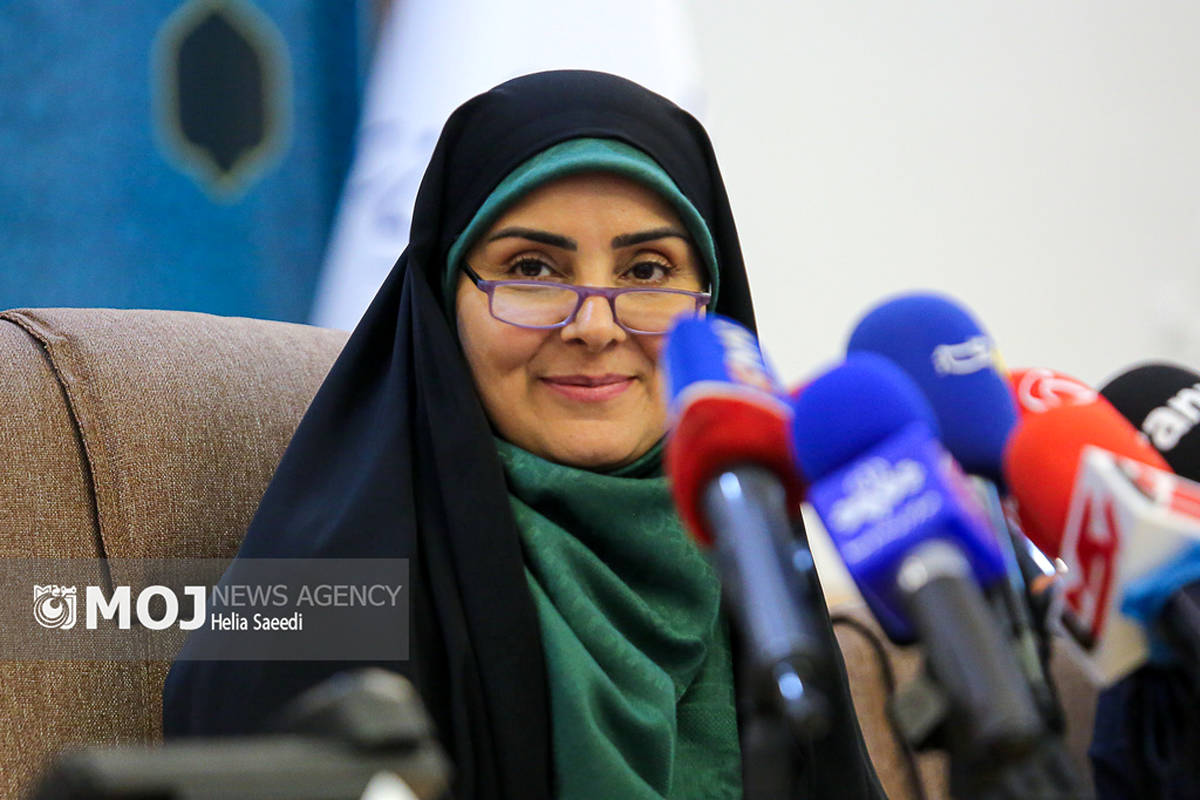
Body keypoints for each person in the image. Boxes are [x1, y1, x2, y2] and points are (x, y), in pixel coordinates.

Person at [163, 70, 884, 800]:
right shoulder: (328, 599)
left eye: (647, 270)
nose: (595, 327)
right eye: (532, 269)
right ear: (444, 302)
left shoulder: (750, 560)